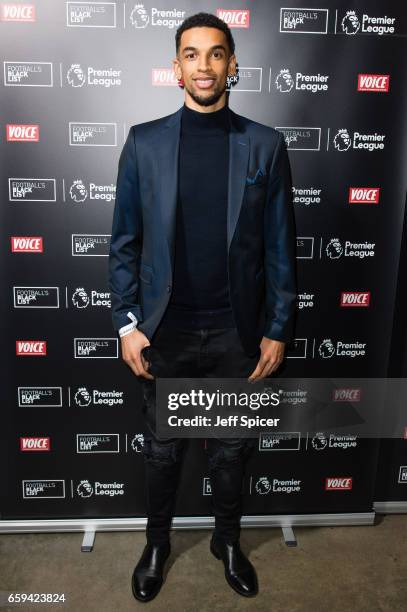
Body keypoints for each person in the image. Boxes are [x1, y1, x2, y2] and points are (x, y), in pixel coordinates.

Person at [108, 11, 297, 603]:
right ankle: (157, 542)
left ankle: (228, 541)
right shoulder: (144, 142)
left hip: (236, 333)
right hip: (167, 332)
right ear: (176, 68)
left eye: (216, 54)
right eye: (192, 55)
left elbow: (280, 248)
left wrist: (276, 329)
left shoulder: (264, 144)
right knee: (163, 452)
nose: (205, 66)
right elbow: (123, 245)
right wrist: (127, 324)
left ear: (233, 64)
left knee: (234, 450)